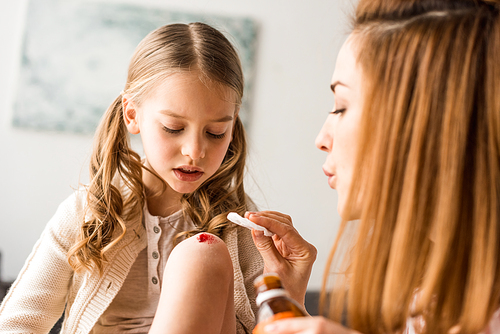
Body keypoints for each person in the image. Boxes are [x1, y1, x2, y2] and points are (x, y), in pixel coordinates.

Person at [246, 0, 500, 333]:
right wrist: (293, 304)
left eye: (340, 107)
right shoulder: (435, 293)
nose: (321, 139)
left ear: (424, 125)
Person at [0, 22, 263, 334]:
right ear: (132, 115)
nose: (195, 152)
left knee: (203, 254)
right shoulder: (87, 210)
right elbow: (19, 323)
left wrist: (293, 287)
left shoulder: (238, 223)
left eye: (216, 133)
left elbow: (273, 325)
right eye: (173, 128)